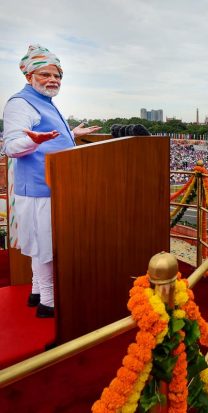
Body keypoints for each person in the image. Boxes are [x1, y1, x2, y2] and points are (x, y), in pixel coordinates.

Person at [2, 44, 101, 318]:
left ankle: (36, 291)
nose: (52, 80)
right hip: (37, 189)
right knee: (45, 246)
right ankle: (48, 301)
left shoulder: (43, 101)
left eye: (56, 76)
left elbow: (47, 134)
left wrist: (72, 132)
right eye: (45, 74)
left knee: (40, 243)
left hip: (51, 186)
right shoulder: (19, 103)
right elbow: (11, 147)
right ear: (29, 76)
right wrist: (31, 142)